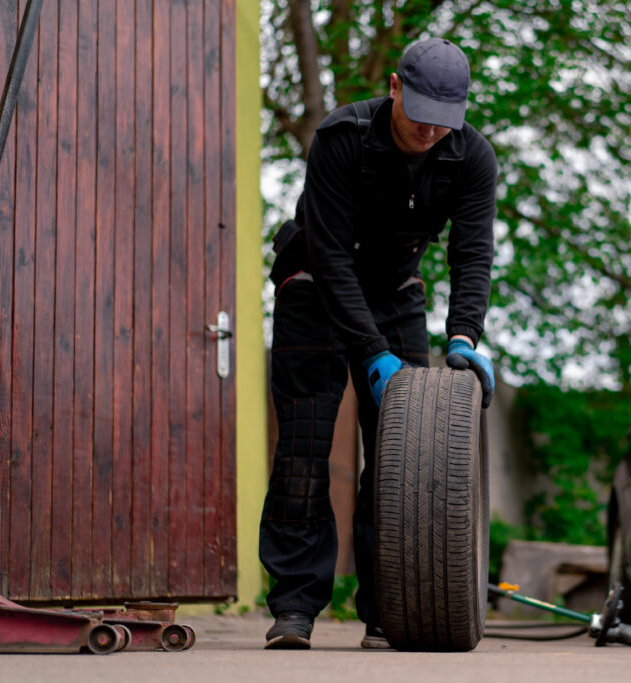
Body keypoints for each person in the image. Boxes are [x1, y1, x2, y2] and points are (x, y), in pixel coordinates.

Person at [259, 37, 498, 650]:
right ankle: (295, 609)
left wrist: (465, 336)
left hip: (395, 293)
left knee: (404, 465)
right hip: (315, 287)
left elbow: (471, 255)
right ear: (394, 87)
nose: (429, 131)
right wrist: (372, 354)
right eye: (419, 114)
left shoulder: (472, 159)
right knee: (305, 451)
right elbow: (330, 255)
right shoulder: (340, 139)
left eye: (445, 121)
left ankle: (389, 608)